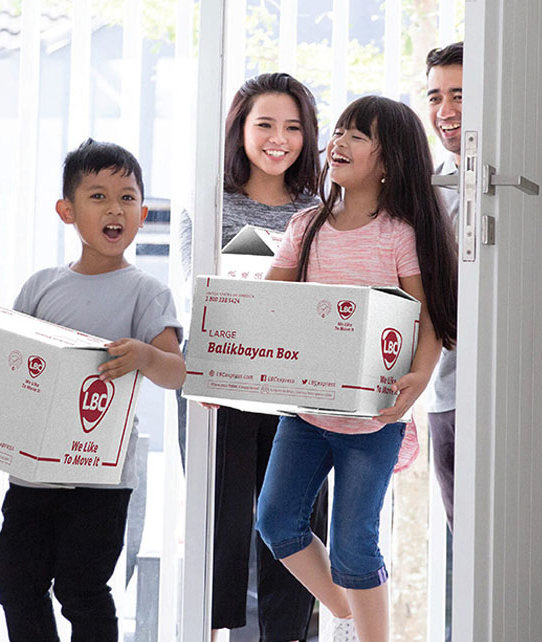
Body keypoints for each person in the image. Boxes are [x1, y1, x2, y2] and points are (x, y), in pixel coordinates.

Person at [256, 95, 457, 642]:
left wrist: (420, 376)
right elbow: (266, 305)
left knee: (353, 547)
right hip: (306, 414)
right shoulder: (306, 226)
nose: (339, 142)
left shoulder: (399, 234)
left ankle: (367, 630)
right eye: (339, 131)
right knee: (276, 521)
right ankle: (346, 612)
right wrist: (224, 367)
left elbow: (427, 317)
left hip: (374, 420)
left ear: (389, 160)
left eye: (357, 135)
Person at [0, 139, 185, 642]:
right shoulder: (40, 286)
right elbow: (8, 363)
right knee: (15, 584)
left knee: (81, 588)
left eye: (127, 197)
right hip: (33, 473)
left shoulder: (147, 292)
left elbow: (176, 372)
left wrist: (145, 357)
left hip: (101, 478)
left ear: (142, 214)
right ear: (67, 211)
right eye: (98, 196)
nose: (115, 208)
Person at [179, 72, 327, 642]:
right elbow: (197, 293)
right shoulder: (208, 202)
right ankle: (211, 631)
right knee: (220, 523)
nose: (278, 139)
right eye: (265, 124)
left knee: (292, 523)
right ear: (240, 129)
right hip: (222, 378)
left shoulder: (320, 210)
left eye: (293, 127)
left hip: (295, 384)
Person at [425, 41, 463, 531]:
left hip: (507, 393)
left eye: (458, 95)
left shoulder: (511, 183)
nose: (445, 110)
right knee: (468, 545)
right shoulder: (430, 188)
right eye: (435, 97)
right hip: (446, 395)